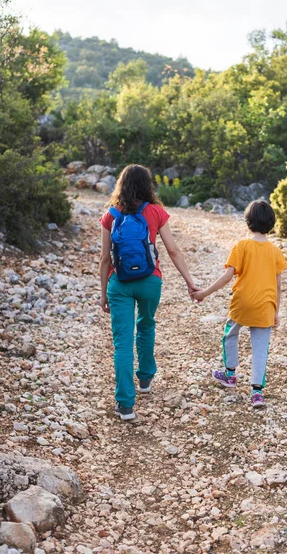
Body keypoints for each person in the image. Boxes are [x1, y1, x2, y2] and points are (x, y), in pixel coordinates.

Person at [99, 164, 199, 421]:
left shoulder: (111, 215)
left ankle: (125, 405)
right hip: (150, 281)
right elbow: (173, 250)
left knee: (122, 341)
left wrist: (102, 293)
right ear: (147, 185)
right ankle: (145, 378)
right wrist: (189, 281)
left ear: (121, 184)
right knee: (146, 324)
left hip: (119, 283)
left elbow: (104, 259)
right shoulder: (156, 212)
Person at [193, 200, 287, 408]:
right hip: (266, 305)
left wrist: (204, 293)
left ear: (248, 222)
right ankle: (257, 393)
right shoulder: (275, 251)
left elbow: (227, 276)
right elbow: (279, 285)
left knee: (230, 334)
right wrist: (276, 311)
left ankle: (230, 374)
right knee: (261, 348)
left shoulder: (241, 245)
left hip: (242, 303)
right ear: (271, 224)